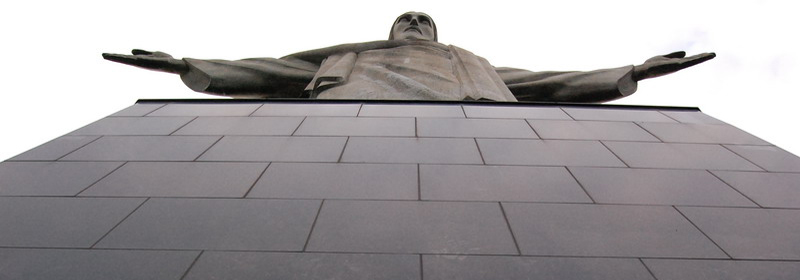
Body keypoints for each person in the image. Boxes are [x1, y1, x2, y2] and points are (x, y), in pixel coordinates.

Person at [104, 12, 714, 102]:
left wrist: (628, 73)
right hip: (354, 115)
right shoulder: (348, 54)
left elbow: (541, 82)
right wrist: (187, 64)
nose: (417, 23)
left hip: (472, 124)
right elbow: (272, 71)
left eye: (425, 19)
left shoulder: (467, 60)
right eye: (407, 19)